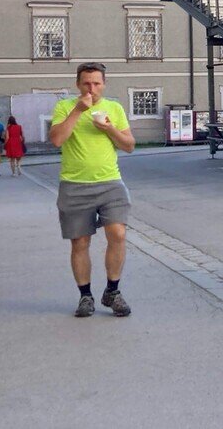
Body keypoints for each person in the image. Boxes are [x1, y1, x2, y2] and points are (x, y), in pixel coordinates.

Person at [48, 62, 136, 317]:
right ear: (78, 84)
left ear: (104, 84)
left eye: (97, 83)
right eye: (86, 83)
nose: (92, 88)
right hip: (74, 184)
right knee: (80, 242)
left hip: (110, 182)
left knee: (117, 233)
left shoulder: (114, 108)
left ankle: (113, 290)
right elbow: (56, 140)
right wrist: (77, 111)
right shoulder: (64, 107)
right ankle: (85, 296)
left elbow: (129, 145)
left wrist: (109, 128)